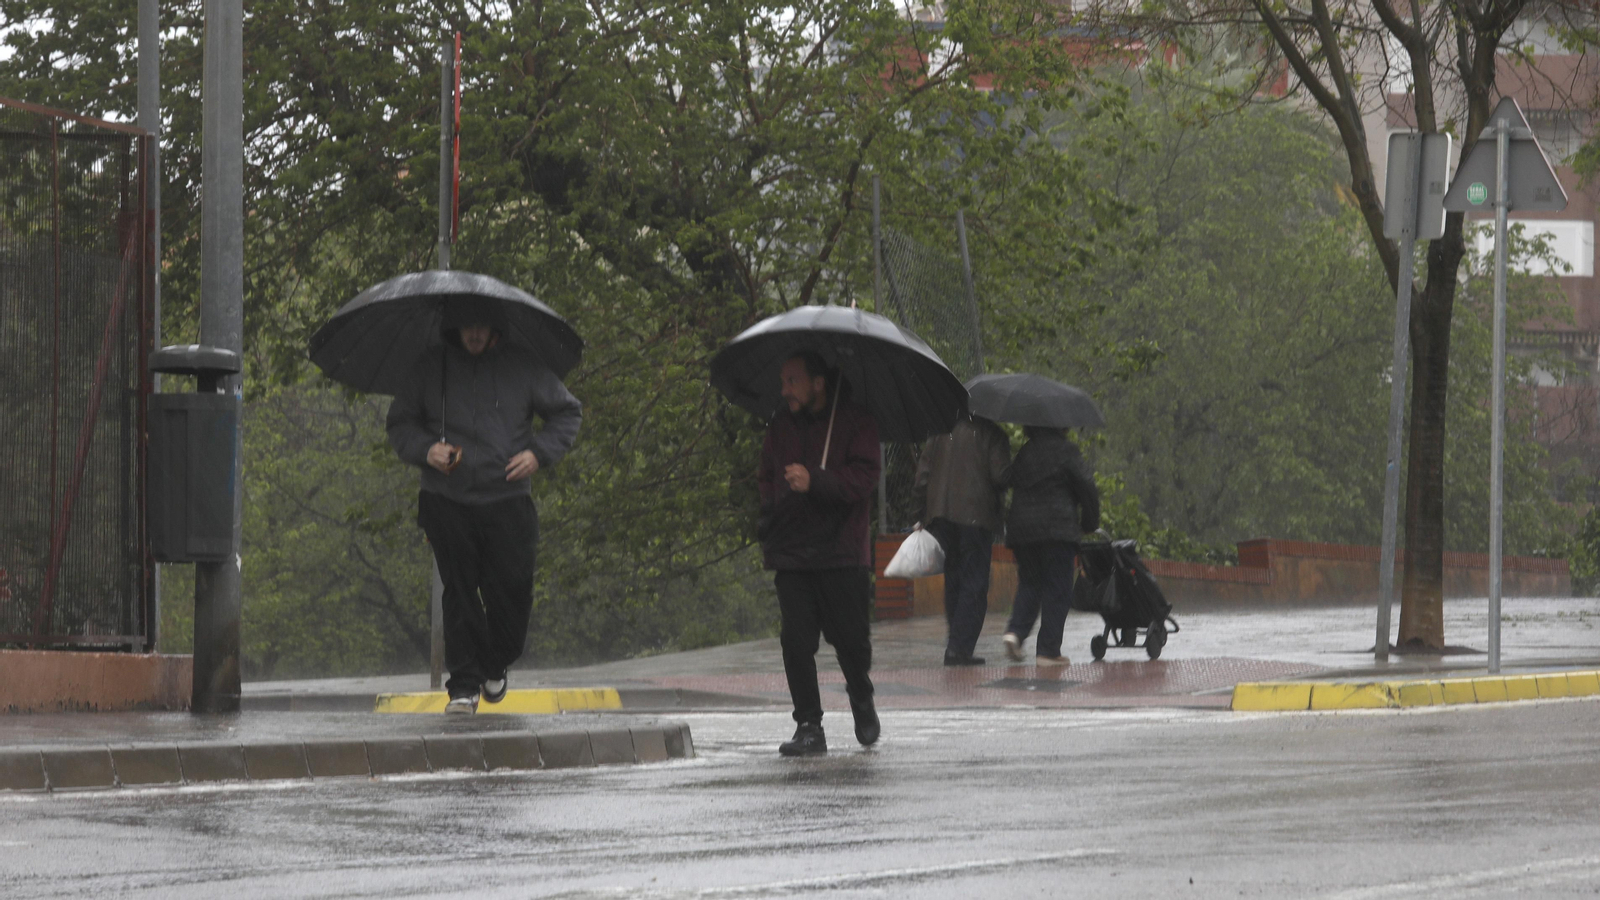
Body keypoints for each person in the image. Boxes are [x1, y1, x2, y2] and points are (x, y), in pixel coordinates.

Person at [387, 301, 582, 713]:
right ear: (453, 329)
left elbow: (567, 412)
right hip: (447, 499)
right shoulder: (430, 367)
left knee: (511, 590)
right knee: (458, 590)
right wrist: (427, 450)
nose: (474, 334)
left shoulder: (523, 367)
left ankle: (496, 662)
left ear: (495, 329)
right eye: (465, 327)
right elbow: (400, 423)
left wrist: (538, 454)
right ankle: (463, 685)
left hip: (508, 499)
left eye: (481, 327)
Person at [758, 351, 882, 756]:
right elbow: (766, 478)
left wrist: (818, 481)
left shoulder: (856, 423)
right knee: (795, 640)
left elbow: (863, 481)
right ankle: (808, 724)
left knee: (850, 642)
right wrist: (773, 514)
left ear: (818, 383)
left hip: (842, 554)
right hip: (792, 553)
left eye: (793, 381)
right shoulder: (780, 426)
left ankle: (860, 694)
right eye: (783, 382)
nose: (784, 390)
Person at [912, 414, 1011, 666]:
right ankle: (959, 648)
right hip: (975, 517)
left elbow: (922, 475)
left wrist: (921, 514)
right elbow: (1000, 476)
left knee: (953, 578)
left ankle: (956, 643)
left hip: (941, 516)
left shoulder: (940, 430)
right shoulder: (992, 433)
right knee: (975, 583)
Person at [1001, 426, 1099, 665]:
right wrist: (1089, 522)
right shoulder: (1067, 451)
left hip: (1023, 531)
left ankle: (1015, 632)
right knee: (1058, 589)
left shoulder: (1026, 451)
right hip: (1057, 531)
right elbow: (1086, 487)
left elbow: (1008, 478)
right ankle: (1048, 651)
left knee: (1030, 583)